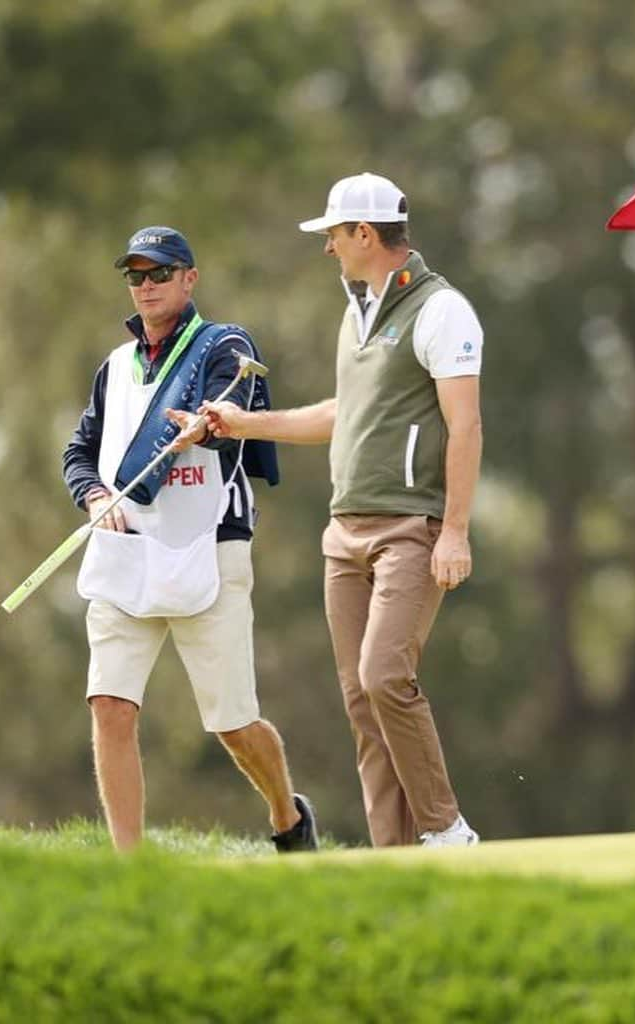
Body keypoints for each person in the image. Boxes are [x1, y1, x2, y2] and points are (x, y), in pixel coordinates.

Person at [198, 174, 484, 847]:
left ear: (364, 233)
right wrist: (243, 424)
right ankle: (394, 853)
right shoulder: (356, 315)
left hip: (412, 529)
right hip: (344, 532)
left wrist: (457, 534)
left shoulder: (440, 311)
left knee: (385, 674)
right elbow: (340, 416)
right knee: (362, 703)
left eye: (333, 233)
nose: (327, 248)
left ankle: (446, 831)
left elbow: (465, 426)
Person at [62, 225, 317, 854]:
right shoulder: (115, 368)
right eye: (136, 276)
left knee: (232, 723)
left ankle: (288, 817)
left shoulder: (223, 345)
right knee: (110, 705)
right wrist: (95, 496)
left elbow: (230, 419)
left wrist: (204, 431)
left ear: (188, 279)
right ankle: (131, 864)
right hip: (128, 550)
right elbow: (79, 452)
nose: (146, 286)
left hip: (210, 544)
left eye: (160, 274)